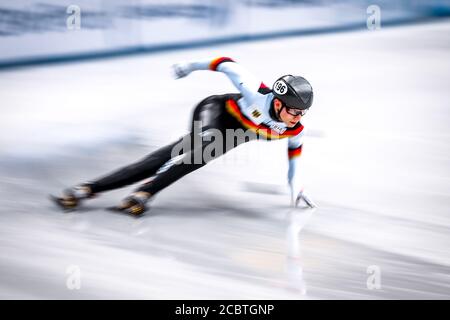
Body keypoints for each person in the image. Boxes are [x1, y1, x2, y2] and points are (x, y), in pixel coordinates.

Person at [51, 56, 314, 216]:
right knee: (197, 146)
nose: (297, 117)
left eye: (303, 113)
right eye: (293, 110)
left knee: (194, 159)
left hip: (234, 134)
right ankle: (97, 188)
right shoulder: (256, 90)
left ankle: (140, 193)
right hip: (215, 111)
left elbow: (294, 159)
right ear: (278, 103)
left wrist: (296, 187)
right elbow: (226, 63)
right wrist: (188, 66)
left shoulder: (294, 129)